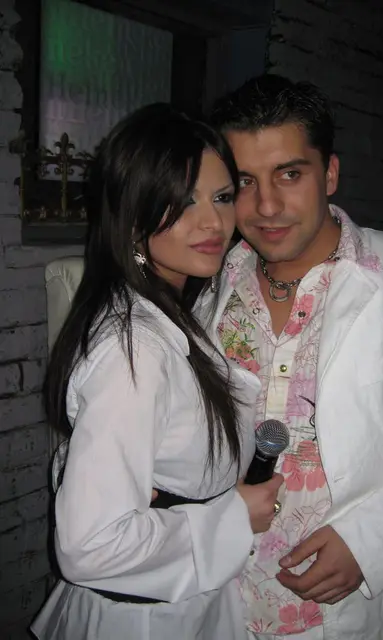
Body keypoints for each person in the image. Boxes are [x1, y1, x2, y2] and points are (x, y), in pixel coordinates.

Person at [197, 75, 383, 639]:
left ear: (330, 174)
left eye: (290, 174)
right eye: (244, 181)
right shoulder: (209, 290)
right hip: (221, 604)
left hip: (348, 611)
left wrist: (372, 540)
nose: (266, 206)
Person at [30, 103, 283, 640]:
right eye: (183, 201)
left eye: (221, 197)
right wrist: (233, 517)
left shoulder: (172, 308)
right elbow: (89, 546)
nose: (213, 222)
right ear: (133, 214)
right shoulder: (136, 350)